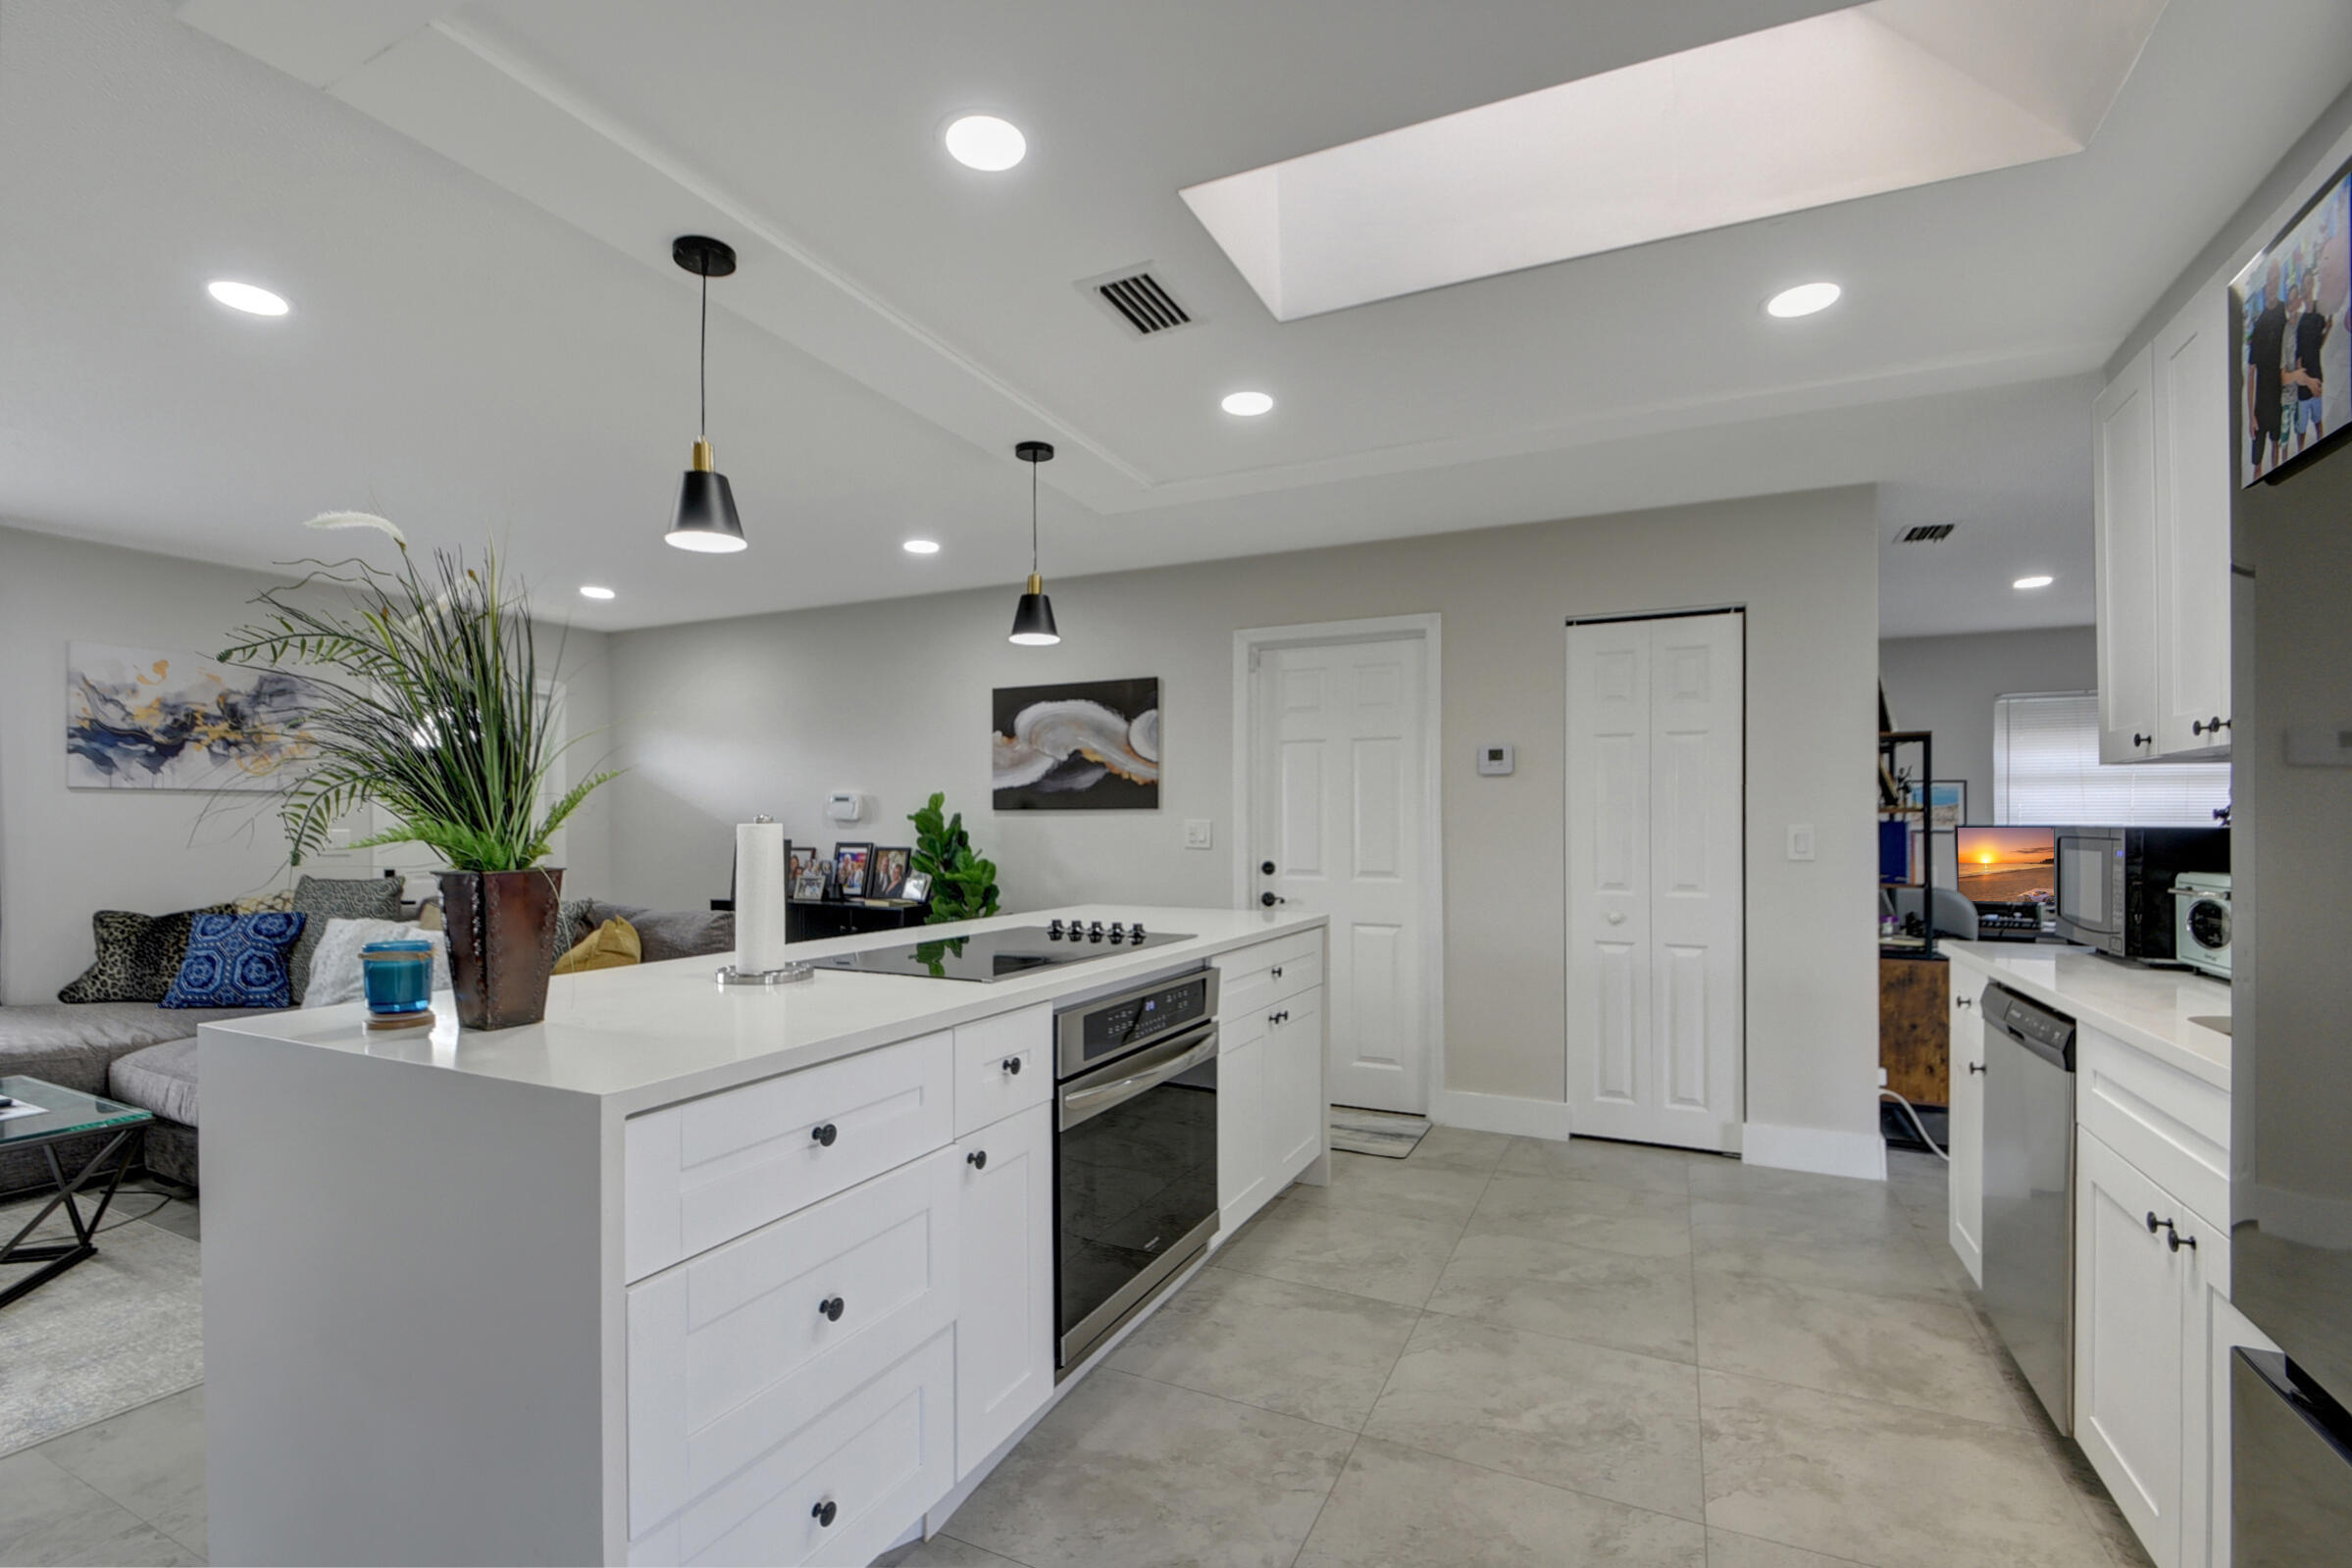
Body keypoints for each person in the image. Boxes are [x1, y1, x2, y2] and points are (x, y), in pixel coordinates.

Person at [2247, 258, 2289, 476]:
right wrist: (2250, 415)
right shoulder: (2260, 324)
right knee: (2257, 460)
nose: (2272, 287)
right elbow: (2251, 372)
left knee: (2277, 445)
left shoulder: (2285, 312)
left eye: (2276, 281)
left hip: (2279, 395)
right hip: (2262, 402)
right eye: (2269, 282)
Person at [2291, 270, 2330, 453]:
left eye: (2310, 283)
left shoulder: (2319, 314)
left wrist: (2328, 330)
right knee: (2301, 427)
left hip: (2317, 375)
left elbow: (2318, 344)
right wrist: (2306, 381)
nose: (2308, 287)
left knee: (2318, 418)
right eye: (2305, 284)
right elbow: (2298, 357)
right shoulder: (2300, 321)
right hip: (2304, 381)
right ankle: (2301, 453)